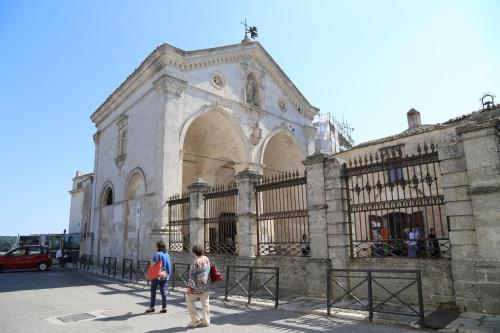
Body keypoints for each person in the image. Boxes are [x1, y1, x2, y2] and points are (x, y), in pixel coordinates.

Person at [185, 245, 211, 328]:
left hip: (196, 287)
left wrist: (189, 289)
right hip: (206, 285)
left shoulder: (195, 262)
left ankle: (195, 320)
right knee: (205, 303)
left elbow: (192, 277)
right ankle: (206, 321)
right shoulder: (206, 258)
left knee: (189, 301)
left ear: (194, 252)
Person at [145, 240, 171, 313]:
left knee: (153, 291)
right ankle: (164, 307)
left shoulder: (157, 254)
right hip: (164, 274)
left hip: (157, 275)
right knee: (163, 291)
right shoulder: (166, 254)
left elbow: (153, 264)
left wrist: (151, 261)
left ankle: (152, 307)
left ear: (158, 247)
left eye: (156, 246)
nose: (155, 247)